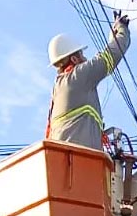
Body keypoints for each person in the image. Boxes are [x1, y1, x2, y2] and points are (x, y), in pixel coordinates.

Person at [45, 12, 130, 149]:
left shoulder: (58, 88)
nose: (85, 59)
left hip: (66, 162)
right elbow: (111, 55)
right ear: (74, 59)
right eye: (81, 55)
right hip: (81, 160)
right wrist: (121, 30)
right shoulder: (77, 77)